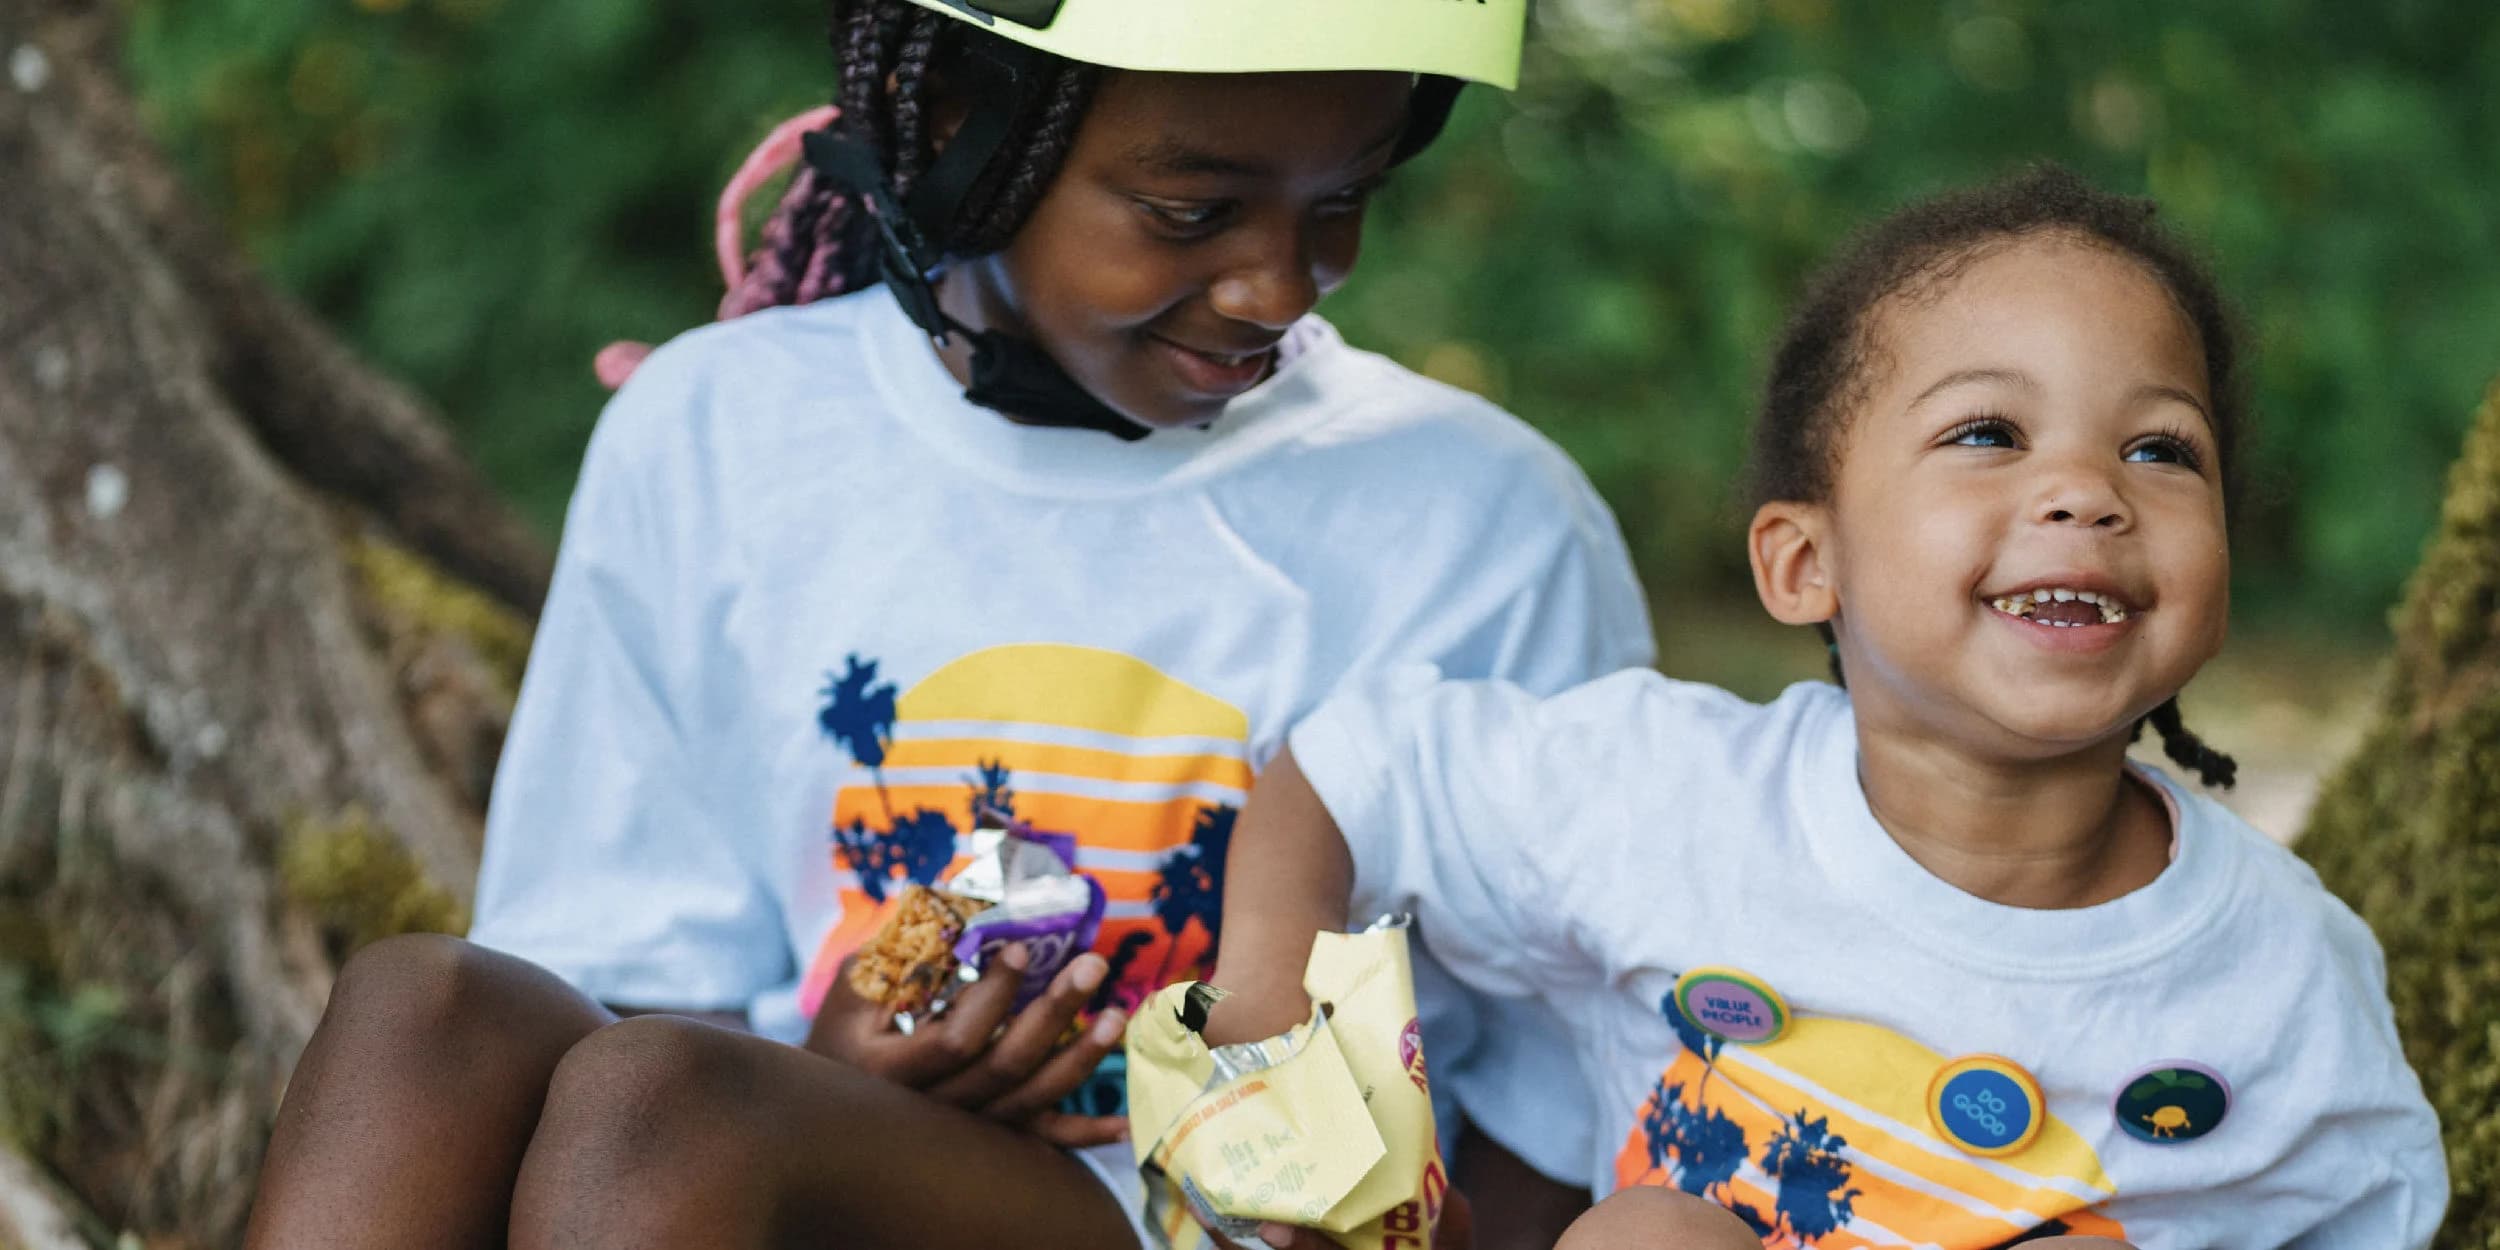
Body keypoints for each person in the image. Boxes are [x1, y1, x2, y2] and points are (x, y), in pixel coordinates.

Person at [239, 2, 1656, 1248]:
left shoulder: (1487, 522)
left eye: (1343, 198)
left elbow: (1573, 1085)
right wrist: (833, 1059)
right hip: (766, 1160)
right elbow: (618, 973)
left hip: (1194, 1220)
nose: (1276, 286)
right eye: (1190, 210)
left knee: (667, 1104)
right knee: (424, 1008)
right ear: (970, 135)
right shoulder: (718, 431)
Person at [1206, 165, 2450, 1249]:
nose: (2085, 489)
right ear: (1807, 563)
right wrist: (1265, 1004)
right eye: (1987, 430)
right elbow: (1356, 770)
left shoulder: (2275, 968)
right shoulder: (1670, 794)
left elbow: (2374, 1203)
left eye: (2160, 449)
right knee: (1649, 1233)